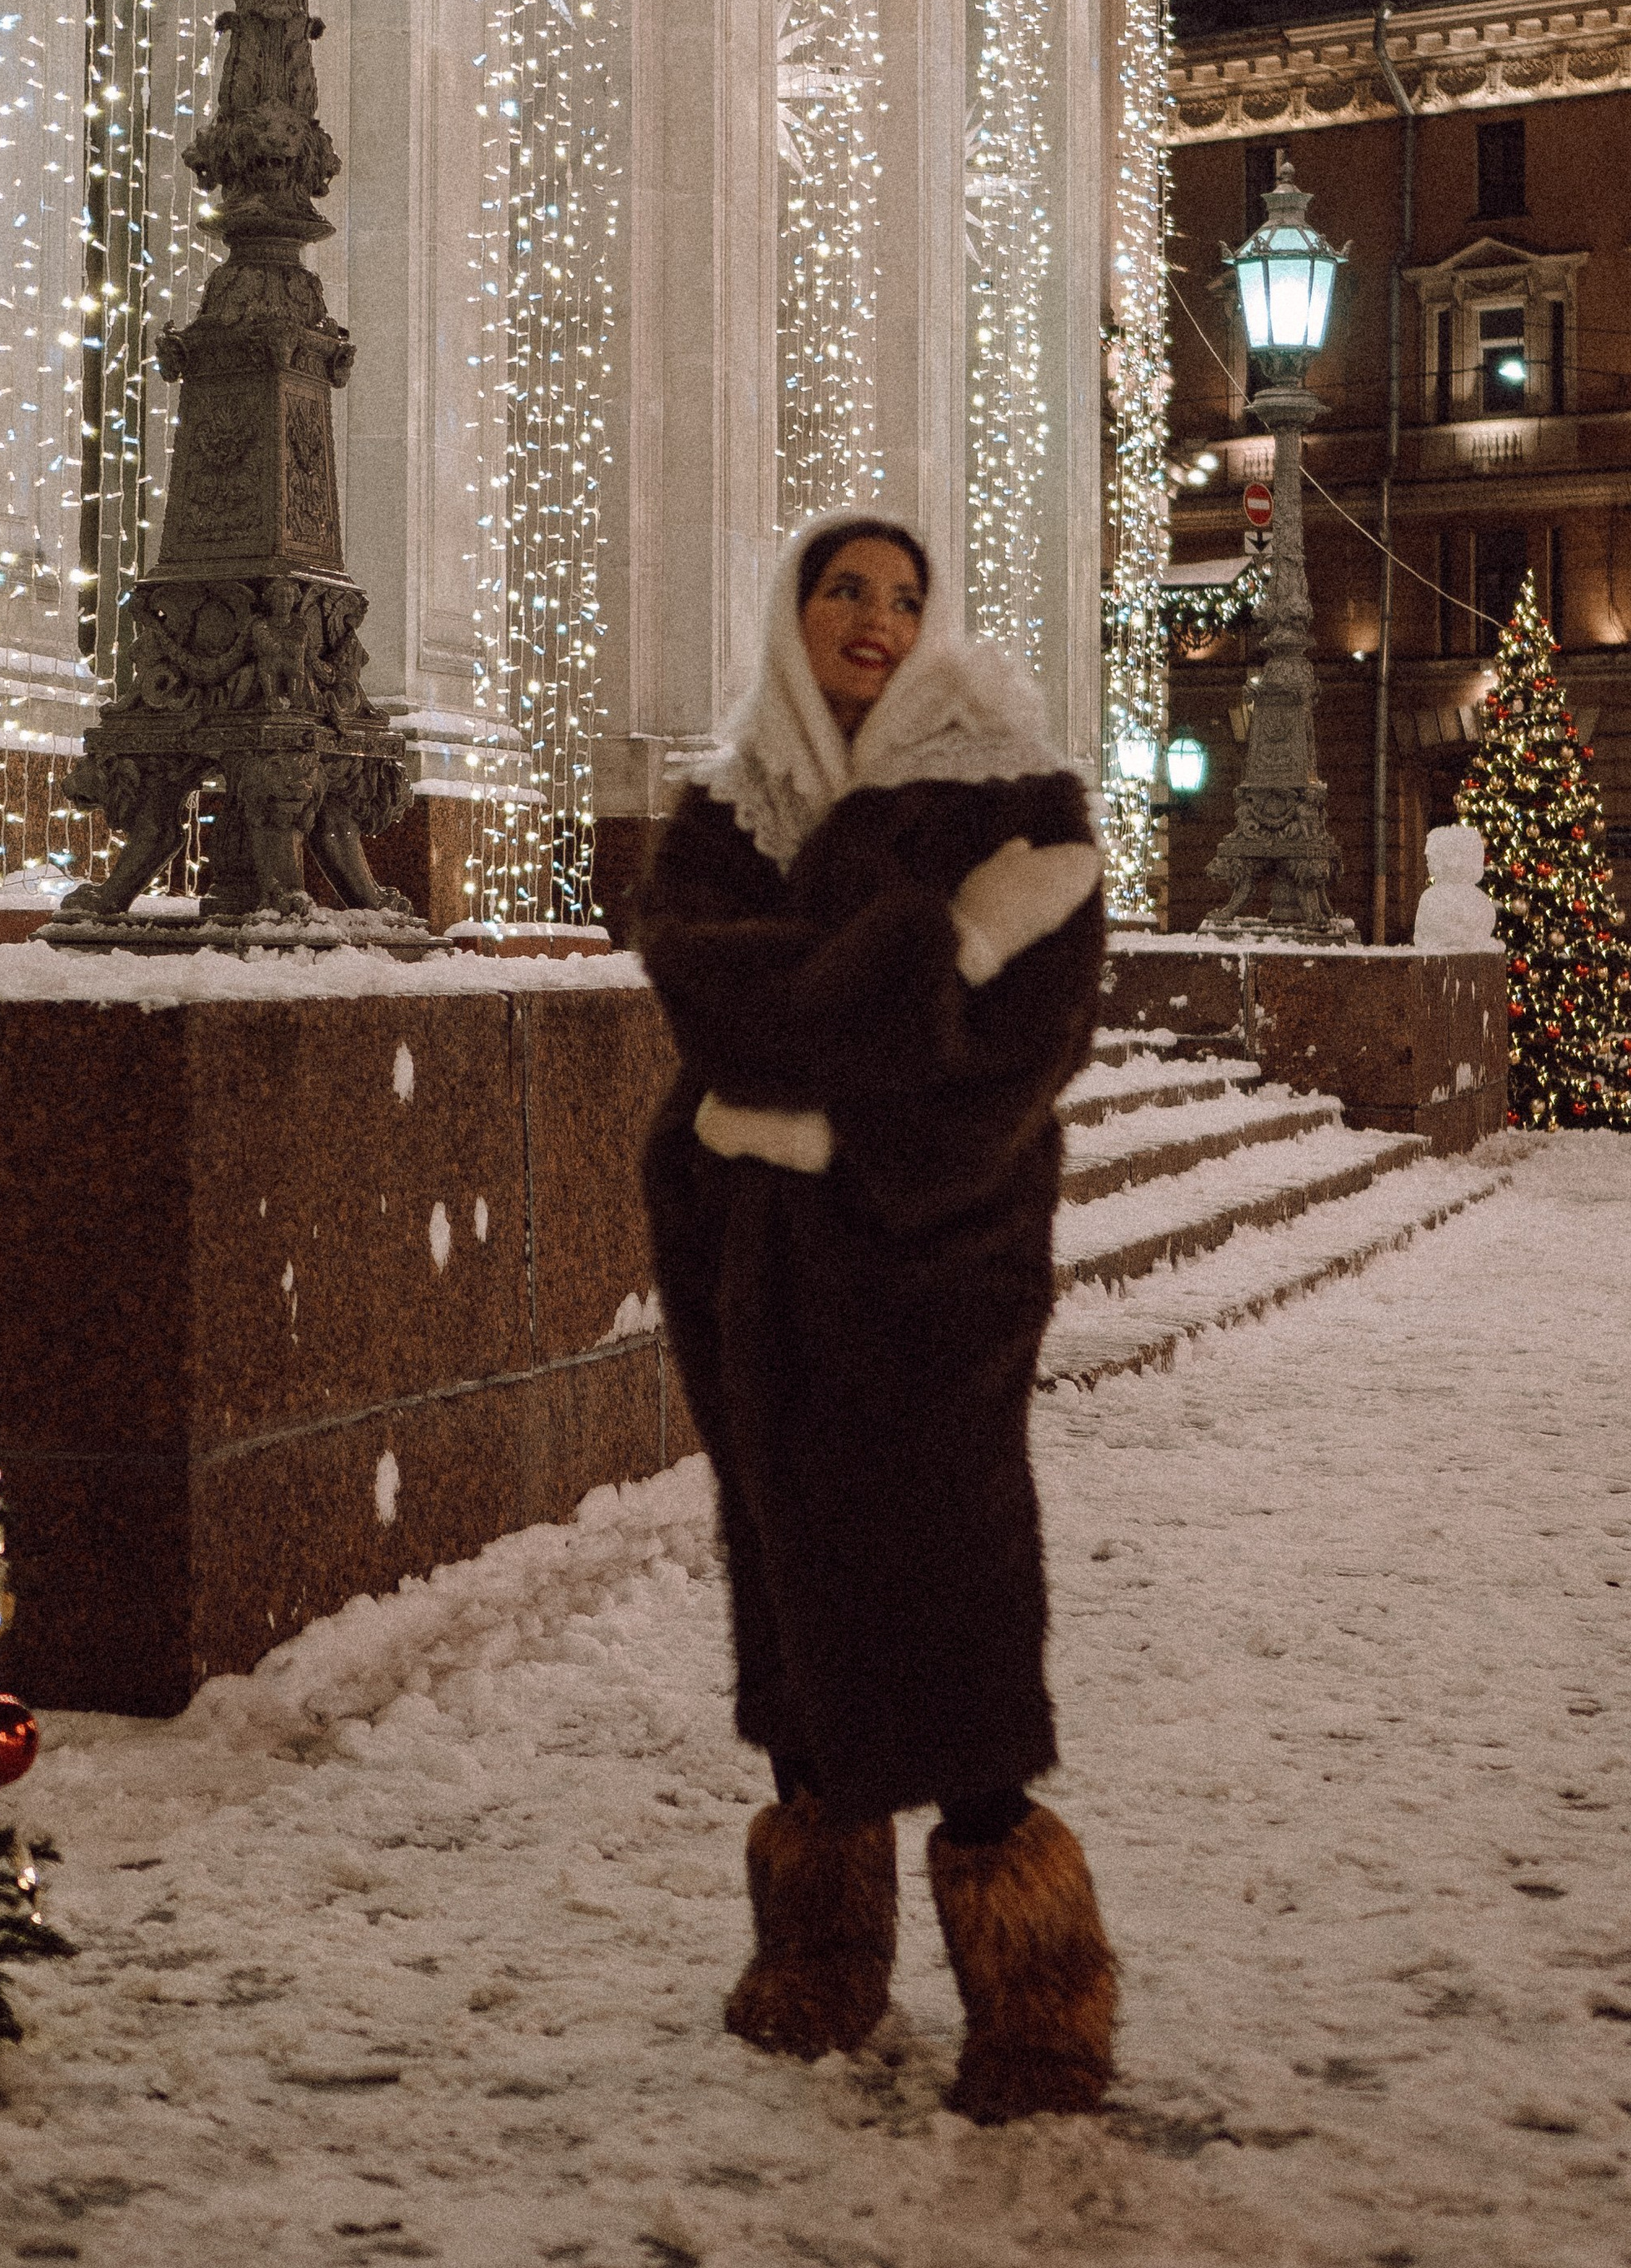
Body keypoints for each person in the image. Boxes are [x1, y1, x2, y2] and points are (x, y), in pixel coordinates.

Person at [634, 512, 1115, 2123]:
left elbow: (1022, 1048)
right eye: (845, 589)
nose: (877, 619)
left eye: (906, 598)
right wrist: (934, 947)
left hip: (937, 1256)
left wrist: (831, 1101)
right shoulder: (727, 808)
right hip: (757, 1267)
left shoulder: (1013, 791)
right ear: (794, 610)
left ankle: (1035, 1994)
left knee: (958, 1595)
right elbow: (711, 994)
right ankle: (819, 1957)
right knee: (791, 1583)